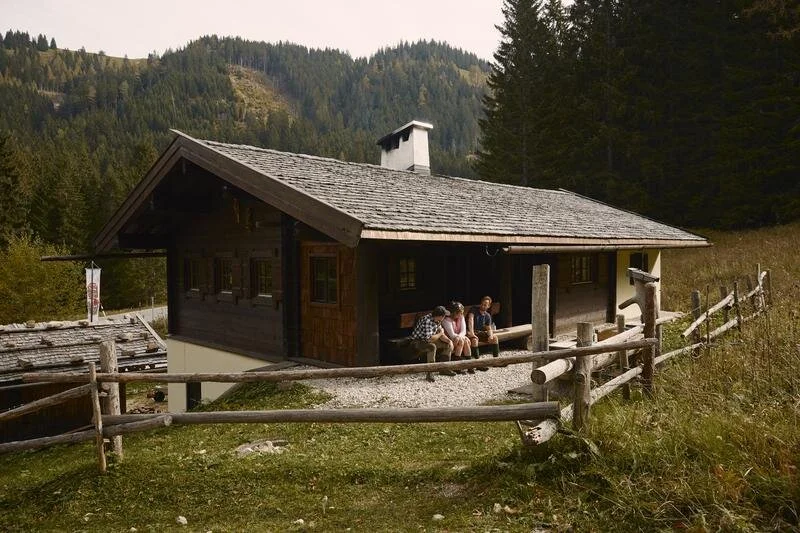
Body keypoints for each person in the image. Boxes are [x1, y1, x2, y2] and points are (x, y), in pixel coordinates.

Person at [410, 305, 454, 382]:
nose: (444, 317)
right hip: (417, 342)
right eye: (444, 316)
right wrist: (441, 333)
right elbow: (429, 339)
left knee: (447, 345)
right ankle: (430, 372)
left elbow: (441, 335)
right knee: (432, 347)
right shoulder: (427, 321)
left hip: (427, 340)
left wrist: (449, 341)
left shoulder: (438, 320)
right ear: (440, 316)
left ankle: (444, 369)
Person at [442, 302, 472, 374]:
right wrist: (462, 338)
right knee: (461, 340)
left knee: (465, 341)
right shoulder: (446, 320)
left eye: (461, 313)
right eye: (459, 313)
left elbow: (463, 331)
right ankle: (457, 366)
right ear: (454, 312)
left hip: (458, 338)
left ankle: (470, 365)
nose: (461, 314)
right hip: (448, 340)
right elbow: (452, 335)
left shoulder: (461, 317)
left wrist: (463, 337)